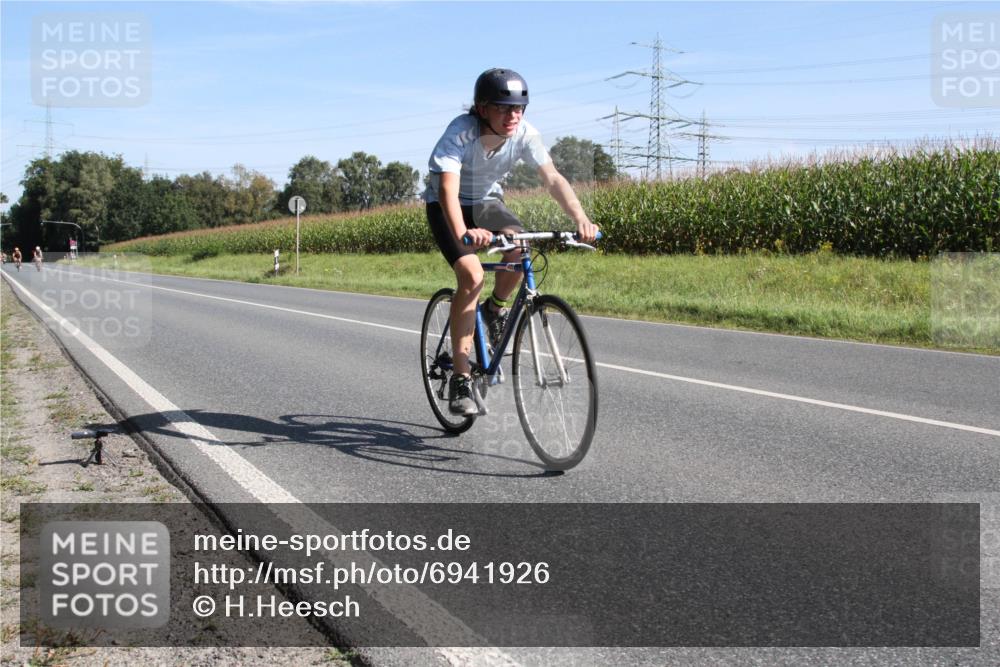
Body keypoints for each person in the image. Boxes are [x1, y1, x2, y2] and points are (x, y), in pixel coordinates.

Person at [423, 68, 599, 416]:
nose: (512, 116)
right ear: (482, 108)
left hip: (487, 203)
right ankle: (460, 377)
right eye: (503, 108)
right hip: (448, 206)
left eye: (519, 109)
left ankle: (494, 309)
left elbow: (552, 178)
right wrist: (463, 233)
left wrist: (580, 217)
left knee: (520, 248)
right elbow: (447, 188)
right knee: (472, 276)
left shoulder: (524, 134)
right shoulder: (462, 132)